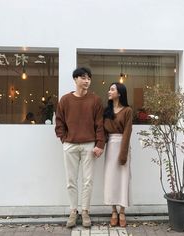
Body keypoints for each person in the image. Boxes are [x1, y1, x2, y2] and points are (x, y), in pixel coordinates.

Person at [55, 67, 105, 228]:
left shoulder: (95, 100)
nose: (87, 81)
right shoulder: (65, 100)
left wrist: (99, 144)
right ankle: (73, 211)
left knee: (88, 180)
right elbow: (59, 122)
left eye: (89, 78)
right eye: (83, 78)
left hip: (89, 144)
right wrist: (63, 139)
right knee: (71, 180)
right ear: (75, 79)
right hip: (70, 145)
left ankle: (85, 212)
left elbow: (99, 124)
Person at [103, 82, 133, 227]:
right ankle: (113, 210)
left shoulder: (127, 110)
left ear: (120, 93)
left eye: (112, 89)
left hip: (123, 145)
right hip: (110, 147)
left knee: (123, 179)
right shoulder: (106, 111)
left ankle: (122, 211)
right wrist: (100, 147)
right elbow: (103, 132)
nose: (109, 91)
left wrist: (123, 154)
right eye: (109, 89)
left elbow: (127, 132)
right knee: (111, 180)